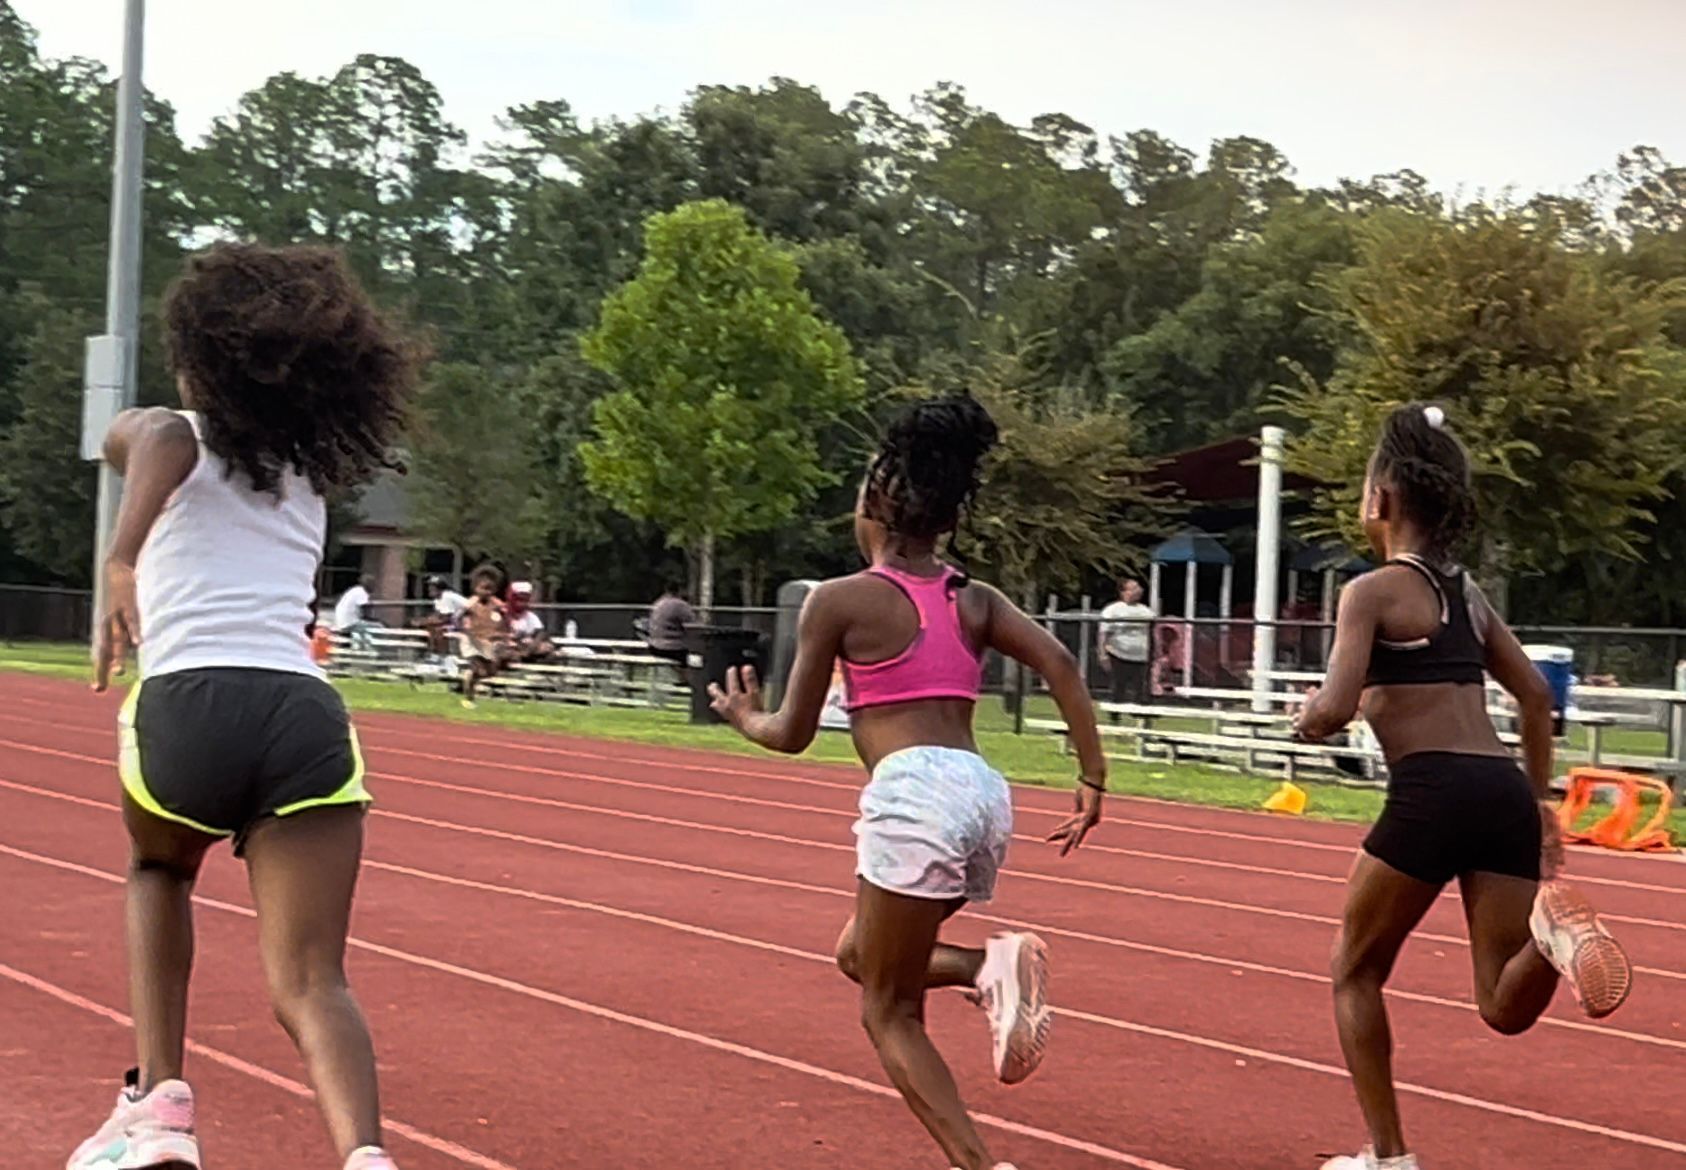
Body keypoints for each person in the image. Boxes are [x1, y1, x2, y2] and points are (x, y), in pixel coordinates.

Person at [74, 242, 416, 1170]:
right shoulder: (308, 471)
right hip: (302, 717)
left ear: (203, 353)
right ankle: (367, 1156)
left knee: (158, 873)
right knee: (312, 979)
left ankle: (156, 1107)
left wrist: (119, 556)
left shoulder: (173, 431)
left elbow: (150, 436)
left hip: (190, 702)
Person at [707, 394, 1107, 1170]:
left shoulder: (839, 599)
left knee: (887, 1009)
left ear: (876, 505)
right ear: (949, 519)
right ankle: (985, 967)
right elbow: (1060, 663)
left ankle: (981, 1164)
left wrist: (740, 716)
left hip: (914, 794)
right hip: (983, 795)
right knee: (860, 952)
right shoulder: (975, 600)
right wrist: (1091, 773)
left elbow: (791, 733)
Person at [1292, 404, 1632, 1170]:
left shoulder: (1372, 592)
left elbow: (1338, 705)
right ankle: (1553, 940)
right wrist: (1542, 808)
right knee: (1500, 1003)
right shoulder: (1469, 596)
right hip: (1502, 791)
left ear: (1381, 497)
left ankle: (1388, 1157)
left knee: (1354, 969)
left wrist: (1304, 722)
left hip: (1431, 789)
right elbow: (1537, 700)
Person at [1097, 577, 1155, 714]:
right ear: (1124, 592)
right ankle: (1115, 717)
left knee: (1142, 689)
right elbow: (1103, 634)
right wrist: (1102, 654)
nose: (1138, 591)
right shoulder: (1112, 610)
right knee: (1118, 687)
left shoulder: (1146, 611)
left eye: (1139, 587)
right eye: (1134, 588)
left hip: (1141, 657)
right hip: (1118, 654)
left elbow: (1154, 634)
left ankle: (1141, 718)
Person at [458, 566, 510, 706]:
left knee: (490, 671)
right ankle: (468, 698)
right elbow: (461, 618)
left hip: (488, 642)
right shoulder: (471, 604)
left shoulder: (496, 604)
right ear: (476, 588)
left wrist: (503, 634)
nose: (486, 592)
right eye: (483, 588)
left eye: (490, 589)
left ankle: (470, 684)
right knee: (477, 667)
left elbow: (505, 620)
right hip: (473, 641)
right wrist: (466, 626)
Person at [645, 582, 695, 673]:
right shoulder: (680, 605)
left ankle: (681, 678)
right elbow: (693, 624)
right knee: (696, 657)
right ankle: (690, 680)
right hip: (671, 648)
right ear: (679, 590)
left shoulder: (658, 603)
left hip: (653, 646)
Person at [417, 575, 467, 659]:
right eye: (429, 586)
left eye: (432, 587)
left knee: (439, 629)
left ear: (440, 588)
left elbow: (446, 618)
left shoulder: (446, 596)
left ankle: (445, 657)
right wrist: (426, 620)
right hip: (457, 621)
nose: (429, 589)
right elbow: (438, 615)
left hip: (468, 620)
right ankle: (434, 655)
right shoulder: (437, 599)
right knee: (432, 627)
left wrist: (425, 621)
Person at [505, 581, 555, 664]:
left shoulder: (530, 616)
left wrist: (532, 646)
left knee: (547, 648)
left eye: (525, 600)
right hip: (509, 646)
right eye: (519, 600)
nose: (522, 604)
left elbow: (540, 633)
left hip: (528, 648)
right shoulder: (503, 613)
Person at [333, 574, 378, 649]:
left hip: (342, 621)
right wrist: (375, 620)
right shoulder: (362, 593)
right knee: (378, 627)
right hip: (350, 622)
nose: (374, 587)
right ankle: (375, 651)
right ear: (368, 584)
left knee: (365, 627)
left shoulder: (356, 590)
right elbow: (365, 611)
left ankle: (362, 647)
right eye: (373, 584)